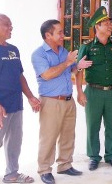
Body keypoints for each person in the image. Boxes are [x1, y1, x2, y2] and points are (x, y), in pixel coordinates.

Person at [31, 19, 92, 184]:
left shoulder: (63, 51)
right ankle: (44, 170)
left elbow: (71, 70)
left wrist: (77, 65)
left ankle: (65, 165)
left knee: (68, 135)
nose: (63, 36)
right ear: (48, 35)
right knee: (48, 137)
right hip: (51, 102)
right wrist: (68, 62)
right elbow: (47, 74)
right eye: (59, 32)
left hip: (68, 100)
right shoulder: (39, 54)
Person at [0, 13, 40, 184]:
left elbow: (20, 76)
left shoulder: (13, 49)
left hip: (15, 104)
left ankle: (12, 174)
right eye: (6, 25)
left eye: (11, 25)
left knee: (14, 142)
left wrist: (30, 96)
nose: (11, 28)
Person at [76, 6, 112, 171]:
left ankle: (111, 156)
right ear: (97, 27)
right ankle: (94, 157)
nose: (109, 25)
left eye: (109, 22)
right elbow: (78, 70)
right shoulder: (88, 46)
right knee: (93, 126)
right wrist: (79, 92)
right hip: (93, 92)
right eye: (105, 22)